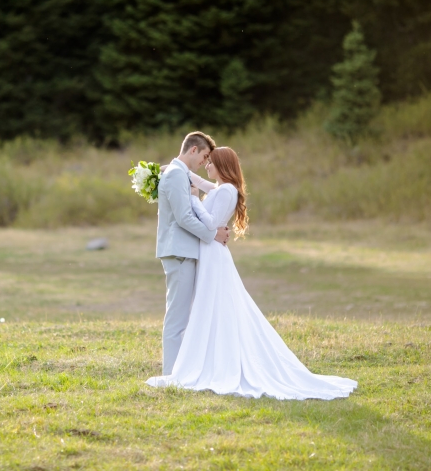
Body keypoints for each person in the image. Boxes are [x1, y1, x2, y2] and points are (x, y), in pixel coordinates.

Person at [148, 147, 357, 400]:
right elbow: (202, 183)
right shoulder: (221, 188)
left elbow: (211, 222)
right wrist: (174, 170)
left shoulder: (226, 190)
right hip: (208, 250)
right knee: (209, 305)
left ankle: (214, 361)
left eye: (211, 162)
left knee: (216, 305)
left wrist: (193, 200)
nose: (206, 166)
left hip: (212, 252)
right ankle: (205, 357)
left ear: (222, 165)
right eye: (206, 161)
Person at [156, 131, 231, 376]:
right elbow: (184, 217)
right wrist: (214, 234)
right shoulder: (176, 174)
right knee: (177, 318)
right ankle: (171, 376)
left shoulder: (179, 173)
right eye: (205, 156)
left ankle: (180, 372)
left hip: (183, 251)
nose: (205, 162)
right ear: (193, 150)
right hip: (179, 252)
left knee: (183, 317)